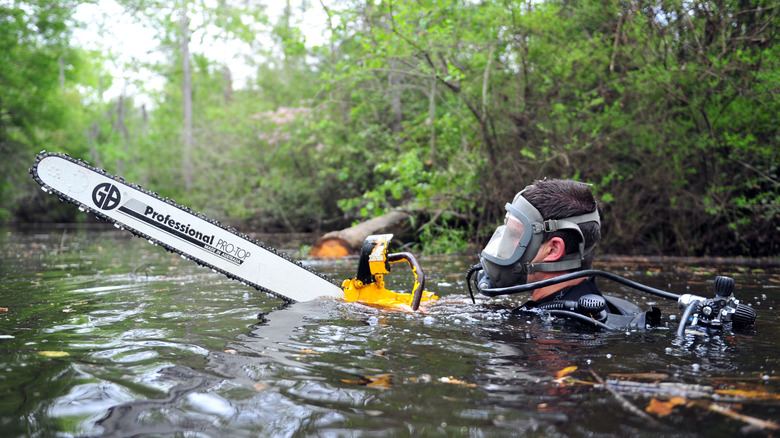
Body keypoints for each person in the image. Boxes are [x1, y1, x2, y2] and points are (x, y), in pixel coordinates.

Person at [475, 179, 659, 329]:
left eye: (515, 235)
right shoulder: (620, 310)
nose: (505, 243)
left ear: (553, 250)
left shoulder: (551, 332)